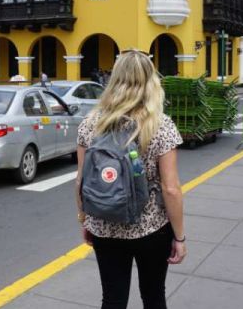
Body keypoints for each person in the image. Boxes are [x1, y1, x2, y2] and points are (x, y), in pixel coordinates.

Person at [75, 51, 186, 309]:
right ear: (150, 81)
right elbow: (171, 189)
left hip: (105, 225)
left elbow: (81, 179)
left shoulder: (91, 123)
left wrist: (85, 219)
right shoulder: (160, 125)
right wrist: (179, 238)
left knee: (112, 299)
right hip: (152, 230)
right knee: (153, 296)